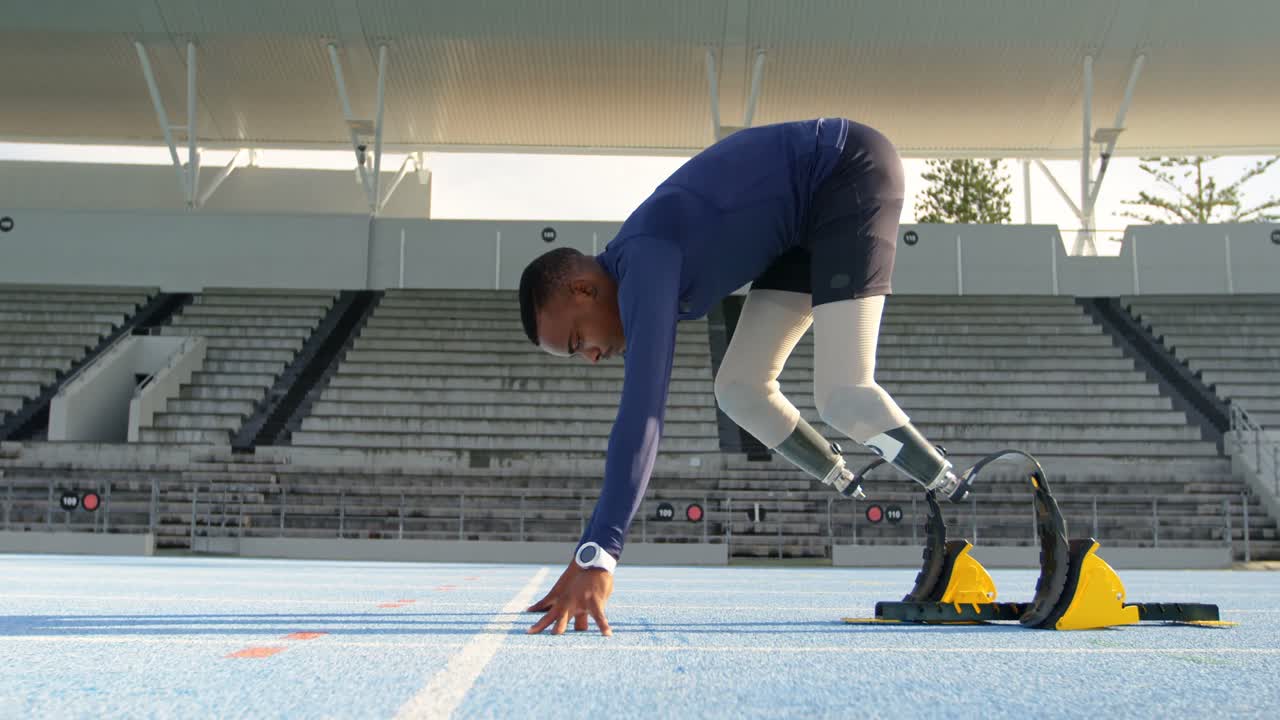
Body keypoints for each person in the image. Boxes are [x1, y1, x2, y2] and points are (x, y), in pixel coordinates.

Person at [517, 118, 973, 637]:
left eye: (578, 342)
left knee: (844, 395)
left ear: (583, 290)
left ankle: (962, 493)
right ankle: (845, 477)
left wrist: (599, 555)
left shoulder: (644, 260)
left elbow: (642, 413)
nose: (592, 357)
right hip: (799, 227)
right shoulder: (634, 266)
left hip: (846, 170)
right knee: (739, 390)